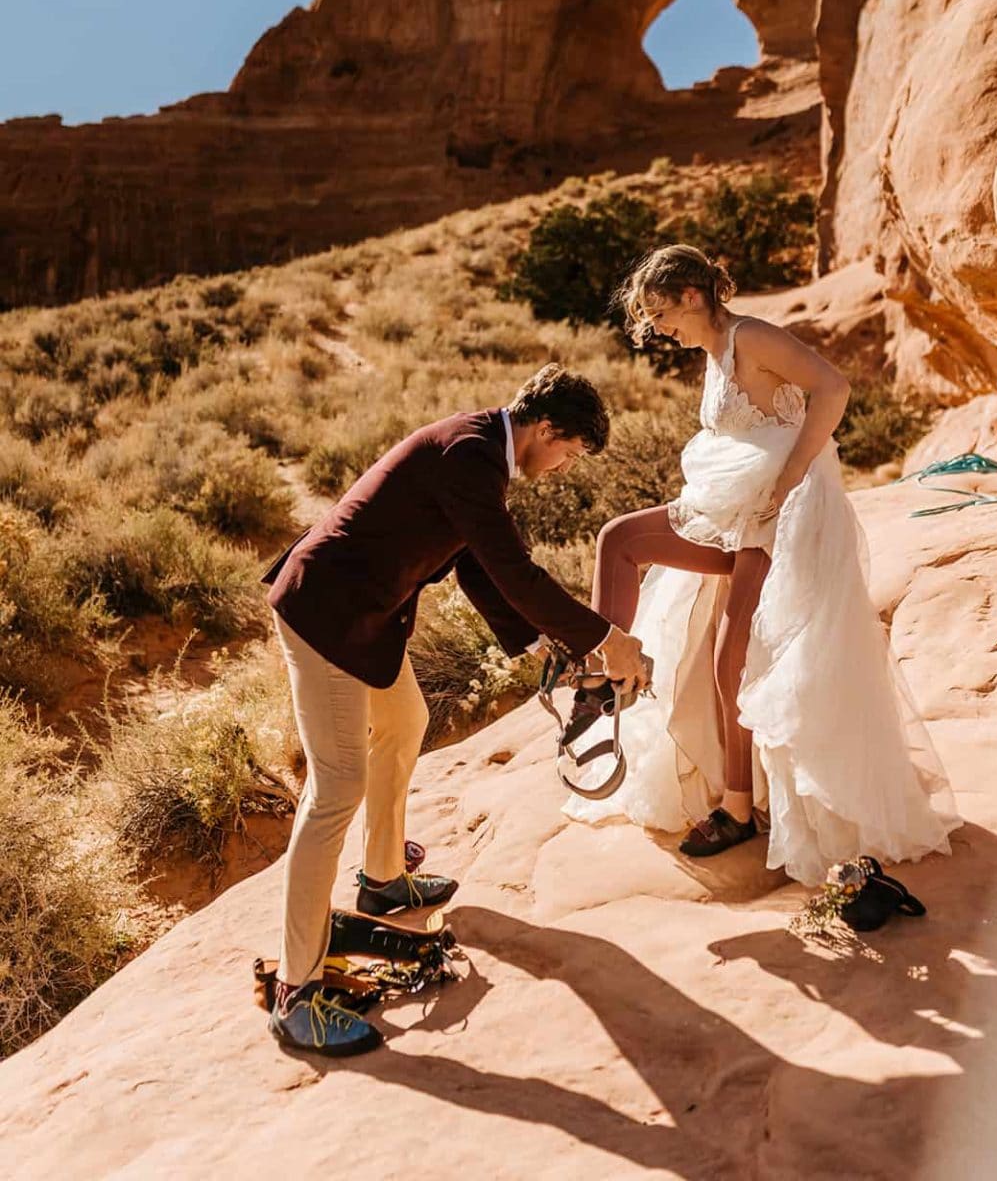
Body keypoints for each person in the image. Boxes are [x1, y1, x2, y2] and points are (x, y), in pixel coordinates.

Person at [262, 363, 647, 1055]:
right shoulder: (470, 455)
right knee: (337, 787)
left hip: (366, 619)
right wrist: (606, 640)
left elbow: (476, 564)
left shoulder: (480, 452)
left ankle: (383, 880)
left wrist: (536, 641)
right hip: (326, 616)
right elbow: (515, 571)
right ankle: (296, 993)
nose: (563, 468)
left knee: (404, 722)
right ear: (547, 429)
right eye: (569, 453)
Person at [565, 244, 959, 884]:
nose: (659, 328)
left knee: (731, 655)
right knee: (620, 539)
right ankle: (601, 678)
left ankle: (738, 808)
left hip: (785, 514)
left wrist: (792, 474)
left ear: (692, 296)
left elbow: (834, 387)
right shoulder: (714, 352)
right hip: (736, 512)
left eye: (662, 313)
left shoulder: (751, 336)